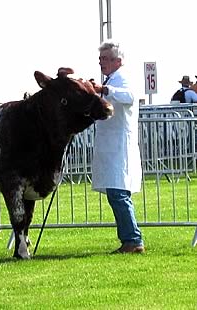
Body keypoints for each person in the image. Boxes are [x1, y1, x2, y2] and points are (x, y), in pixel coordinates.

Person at [91, 41, 145, 254]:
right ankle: (130, 238)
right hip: (112, 145)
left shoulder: (123, 78)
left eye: (105, 58)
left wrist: (104, 89)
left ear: (117, 61)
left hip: (119, 145)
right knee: (117, 193)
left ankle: (133, 239)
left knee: (119, 193)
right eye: (101, 58)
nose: (101, 62)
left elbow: (129, 96)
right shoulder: (113, 79)